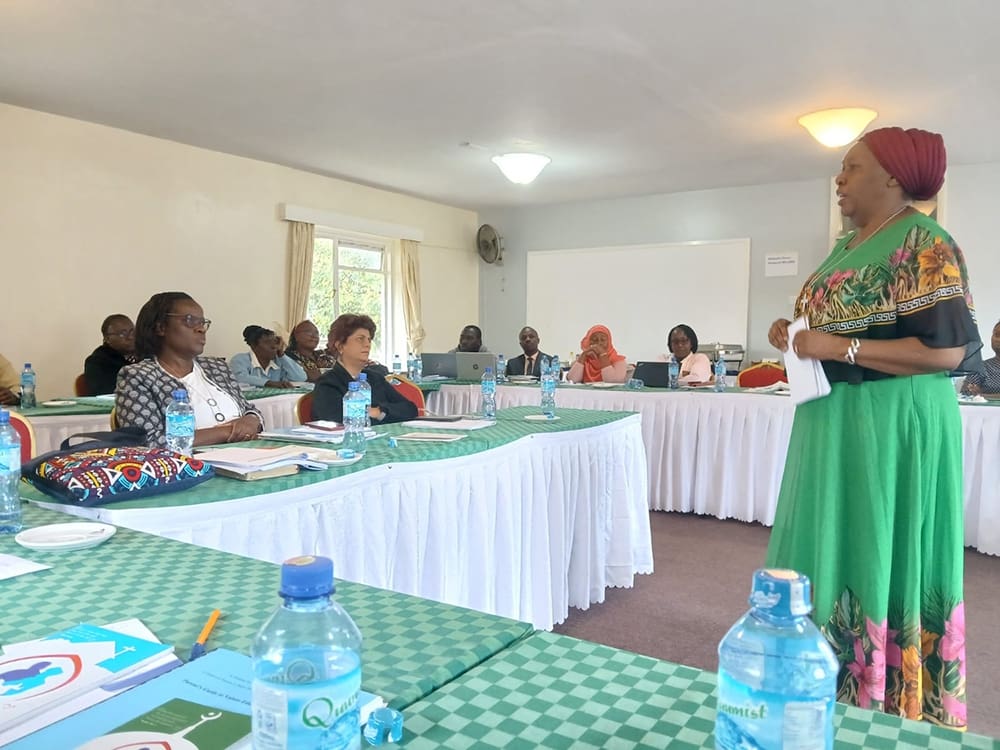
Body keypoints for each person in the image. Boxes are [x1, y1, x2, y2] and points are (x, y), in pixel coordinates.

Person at [766, 127, 981, 728]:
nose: (839, 179)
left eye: (851, 167)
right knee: (831, 538)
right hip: (833, 421)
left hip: (890, 423)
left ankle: (881, 699)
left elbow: (946, 354)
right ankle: (821, 680)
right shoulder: (847, 245)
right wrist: (792, 330)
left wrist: (841, 345)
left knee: (876, 543)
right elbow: (830, 323)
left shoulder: (924, 242)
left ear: (891, 176)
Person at [116, 292, 264, 447]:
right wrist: (228, 432)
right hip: (188, 465)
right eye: (190, 321)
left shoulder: (217, 367)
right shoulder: (137, 376)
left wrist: (251, 420)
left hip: (246, 457)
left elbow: (250, 410)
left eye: (202, 322)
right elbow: (147, 442)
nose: (201, 329)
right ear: (161, 327)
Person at [312, 314, 417, 424]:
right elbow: (336, 420)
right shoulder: (327, 383)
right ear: (340, 346)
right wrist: (381, 415)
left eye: (369, 339)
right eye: (360, 339)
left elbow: (410, 409)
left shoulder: (375, 378)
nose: (367, 344)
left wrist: (378, 411)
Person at [229, 325, 306, 388]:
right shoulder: (240, 359)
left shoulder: (279, 362)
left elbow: (301, 377)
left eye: (275, 342)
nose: (273, 346)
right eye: (267, 342)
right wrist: (270, 383)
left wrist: (282, 355)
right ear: (253, 346)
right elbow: (239, 378)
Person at [83, 314, 139, 395]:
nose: (130, 337)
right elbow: (103, 392)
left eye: (132, 332)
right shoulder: (97, 362)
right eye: (123, 334)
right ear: (107, 339)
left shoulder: (144, 355)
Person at [961, 319, 1000, 398]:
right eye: (996, 334)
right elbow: (967, 392)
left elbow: (978, 395)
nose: (998, 339)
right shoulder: (981, 366)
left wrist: (982, 395)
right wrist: (969, 390)